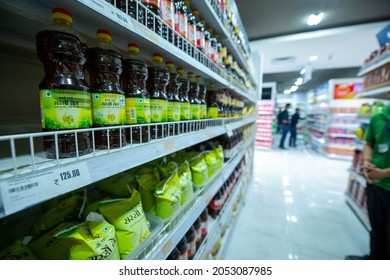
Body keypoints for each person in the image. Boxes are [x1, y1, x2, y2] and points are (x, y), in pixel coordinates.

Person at [346, 104, 390, 260]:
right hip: (375, 183)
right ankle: (374, 259)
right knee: (377, 228)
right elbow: (369, 143)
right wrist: (366, 162)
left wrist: (384, 173)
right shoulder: (378, 118)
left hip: (383, 179)